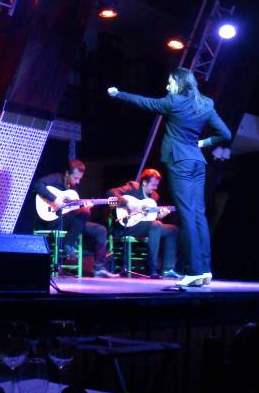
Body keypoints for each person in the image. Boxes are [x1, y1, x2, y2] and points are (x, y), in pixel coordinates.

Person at [108, 67, 231, 286]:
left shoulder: (174, 101)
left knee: (187, 215)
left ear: (178, 82)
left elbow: (144, 102)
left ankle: (193, 271)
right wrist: (203, 143)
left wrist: (118, 94)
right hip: (198, 162)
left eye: (170, 82)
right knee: (198, 215)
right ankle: (204, 270)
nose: (167, 86)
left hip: (180, 161)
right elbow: (225, 134)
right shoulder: (206, 103)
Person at [33, 159, 115, 279]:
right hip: (52, 220)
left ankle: (99, 268)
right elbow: (37, 184)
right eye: (76, 178)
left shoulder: (73, 190)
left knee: (100, 229)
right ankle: (69, 245)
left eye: (79, 179)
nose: (78, 181)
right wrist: (55, 199)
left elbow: (74, 211)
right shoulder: (55, 179)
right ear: (67, 173)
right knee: (84, 212)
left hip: (70, 223)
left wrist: (85, 207)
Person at [106, 168, 180, 279]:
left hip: (145, 226)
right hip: (128, 225)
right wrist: (127, 203)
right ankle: (152, 268)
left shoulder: (154, 196)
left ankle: (168, 269)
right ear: (144, 182)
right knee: (156, 225)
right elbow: (110, 193)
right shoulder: (133, 187)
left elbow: (150, 217)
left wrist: (160, 215)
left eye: (157, 185)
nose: (155, 188)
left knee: (172, 229)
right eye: (153, 185)